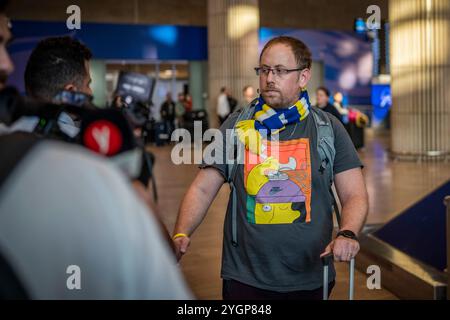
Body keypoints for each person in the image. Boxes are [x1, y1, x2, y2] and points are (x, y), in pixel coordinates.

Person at [0, 2, 192, 299]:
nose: (92, 91)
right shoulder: (94, 160)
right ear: (72, 91)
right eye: (88, 83)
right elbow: (159, 263)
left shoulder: (8, 137)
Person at [173, 36, 368, 300]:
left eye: (280, 71)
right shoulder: (236, 125)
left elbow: (354, 193)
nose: (269, 78)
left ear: (303, 77)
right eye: (264, 70)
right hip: (245, 277)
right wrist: (182, 232)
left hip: (310, 275)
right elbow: (203, 187)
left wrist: (347, 233)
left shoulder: (327, 128)